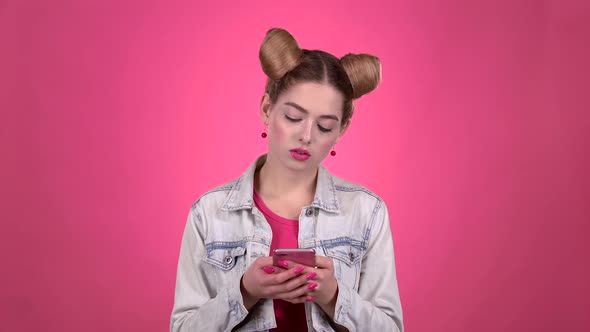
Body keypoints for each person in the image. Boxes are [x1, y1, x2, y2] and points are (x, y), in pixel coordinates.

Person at [170, 27, 403, 332]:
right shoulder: (209, 213)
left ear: (342, 129)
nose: (306, 136)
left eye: (325, 126)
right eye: (293, 117)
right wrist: (244, 291)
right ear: (268, 109)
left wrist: (334, 296)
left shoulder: (367, 212)